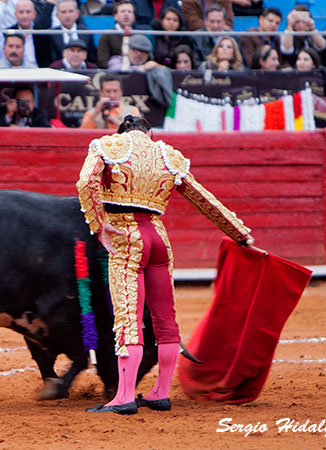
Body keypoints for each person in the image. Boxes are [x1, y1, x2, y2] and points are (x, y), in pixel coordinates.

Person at [76, 115, 253, 415]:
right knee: (165, 320)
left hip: (126, 236)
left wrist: (99, 225)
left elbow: (85, 181)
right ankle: (160, 393)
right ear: (150, 132)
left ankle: (123, 397)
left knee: (129, 318)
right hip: (159, 238)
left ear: (122, 132)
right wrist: (241, 234)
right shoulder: (168, 155)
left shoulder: (108, 145)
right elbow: (204, 200)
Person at [96, 0, 150, 69]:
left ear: (134, 17)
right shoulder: (107, 35)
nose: (126, 14)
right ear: (115, 16)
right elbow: (102, 61)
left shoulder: (140, 35)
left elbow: (148, 57)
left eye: (129, 12)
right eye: (123, 11)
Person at [48, 0, 97, 67]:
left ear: (77, 13)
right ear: (57, 15)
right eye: (63, 12)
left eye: (71, 11)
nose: (67, 15)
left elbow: (92, 58)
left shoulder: (87, 33)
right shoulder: (51, 34)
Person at [7, 0, 52, 67]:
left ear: (34, 14)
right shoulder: (7, 33)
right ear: (15, 14)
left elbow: (46, 61)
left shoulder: (42, 34)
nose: (25, 16)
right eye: (21, 12)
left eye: (28, 12)